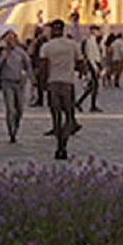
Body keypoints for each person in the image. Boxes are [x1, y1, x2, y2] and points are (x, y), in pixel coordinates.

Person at [36, 20, 81, 160]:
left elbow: (42, 68)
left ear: (52, 30)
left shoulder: (47, 46)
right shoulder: (72, 45)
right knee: (69, 115)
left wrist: (41, 85)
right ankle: (64, 144)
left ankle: (58, 144)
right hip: (68, 83)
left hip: (53, 83)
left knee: (56, 115)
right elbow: (80, 63)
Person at [0, 30, 30, 144]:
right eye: (8, 40)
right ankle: (11, 132)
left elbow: (28, 66)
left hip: (19, 83)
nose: (10, 42)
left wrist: (27, 78)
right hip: (7, 82)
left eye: (12, 39)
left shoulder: (21, 52)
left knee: (19, 109)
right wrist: (2, 59)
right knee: (10, 109)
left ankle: (16, 125)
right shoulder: (2, 52)